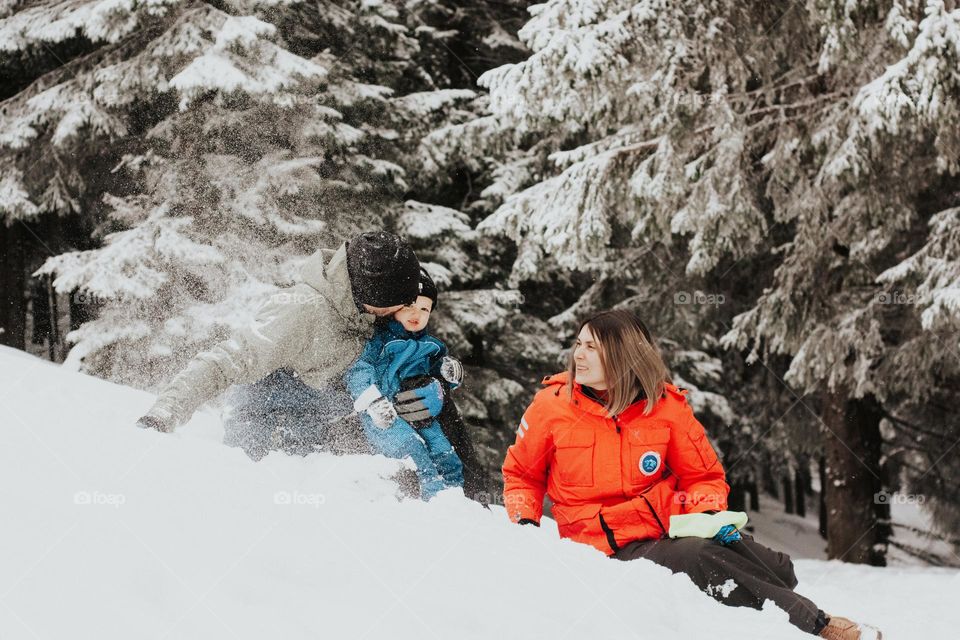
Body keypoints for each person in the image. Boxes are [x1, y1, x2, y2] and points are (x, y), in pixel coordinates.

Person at [502, 310, 882, 640]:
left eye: (591, 347)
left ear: (622, 357)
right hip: (605, 544)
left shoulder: (665, 407)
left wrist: (709, 516)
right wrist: (524, 526)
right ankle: (817, 624)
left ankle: (766, 594)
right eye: (579, 343)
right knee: (701, 557)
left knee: (775, 567)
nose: (577, 356)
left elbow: (705, 477)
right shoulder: (551, 407)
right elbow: (521, 475)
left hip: (672, 525)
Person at [136, 231, 434, 456]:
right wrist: (164, 413)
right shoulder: (301, 310)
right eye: (399, 303)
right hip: (266, 432)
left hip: (321, 427)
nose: (405, 310)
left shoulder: (366, 314)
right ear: (374, 297)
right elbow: (226, 361)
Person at [346, 269, 465, 498]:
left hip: (420, 413)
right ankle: (430, 500)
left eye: (424, 309)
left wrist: (450, 374)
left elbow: (437, 376)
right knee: (414, 452)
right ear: (394, 308)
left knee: (445, 452)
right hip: (385, 415)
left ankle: (456, 499)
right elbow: (358, 369)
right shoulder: (379, 340)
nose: (416, 314)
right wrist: (372, 401)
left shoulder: (432, 346)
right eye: (409, 306)